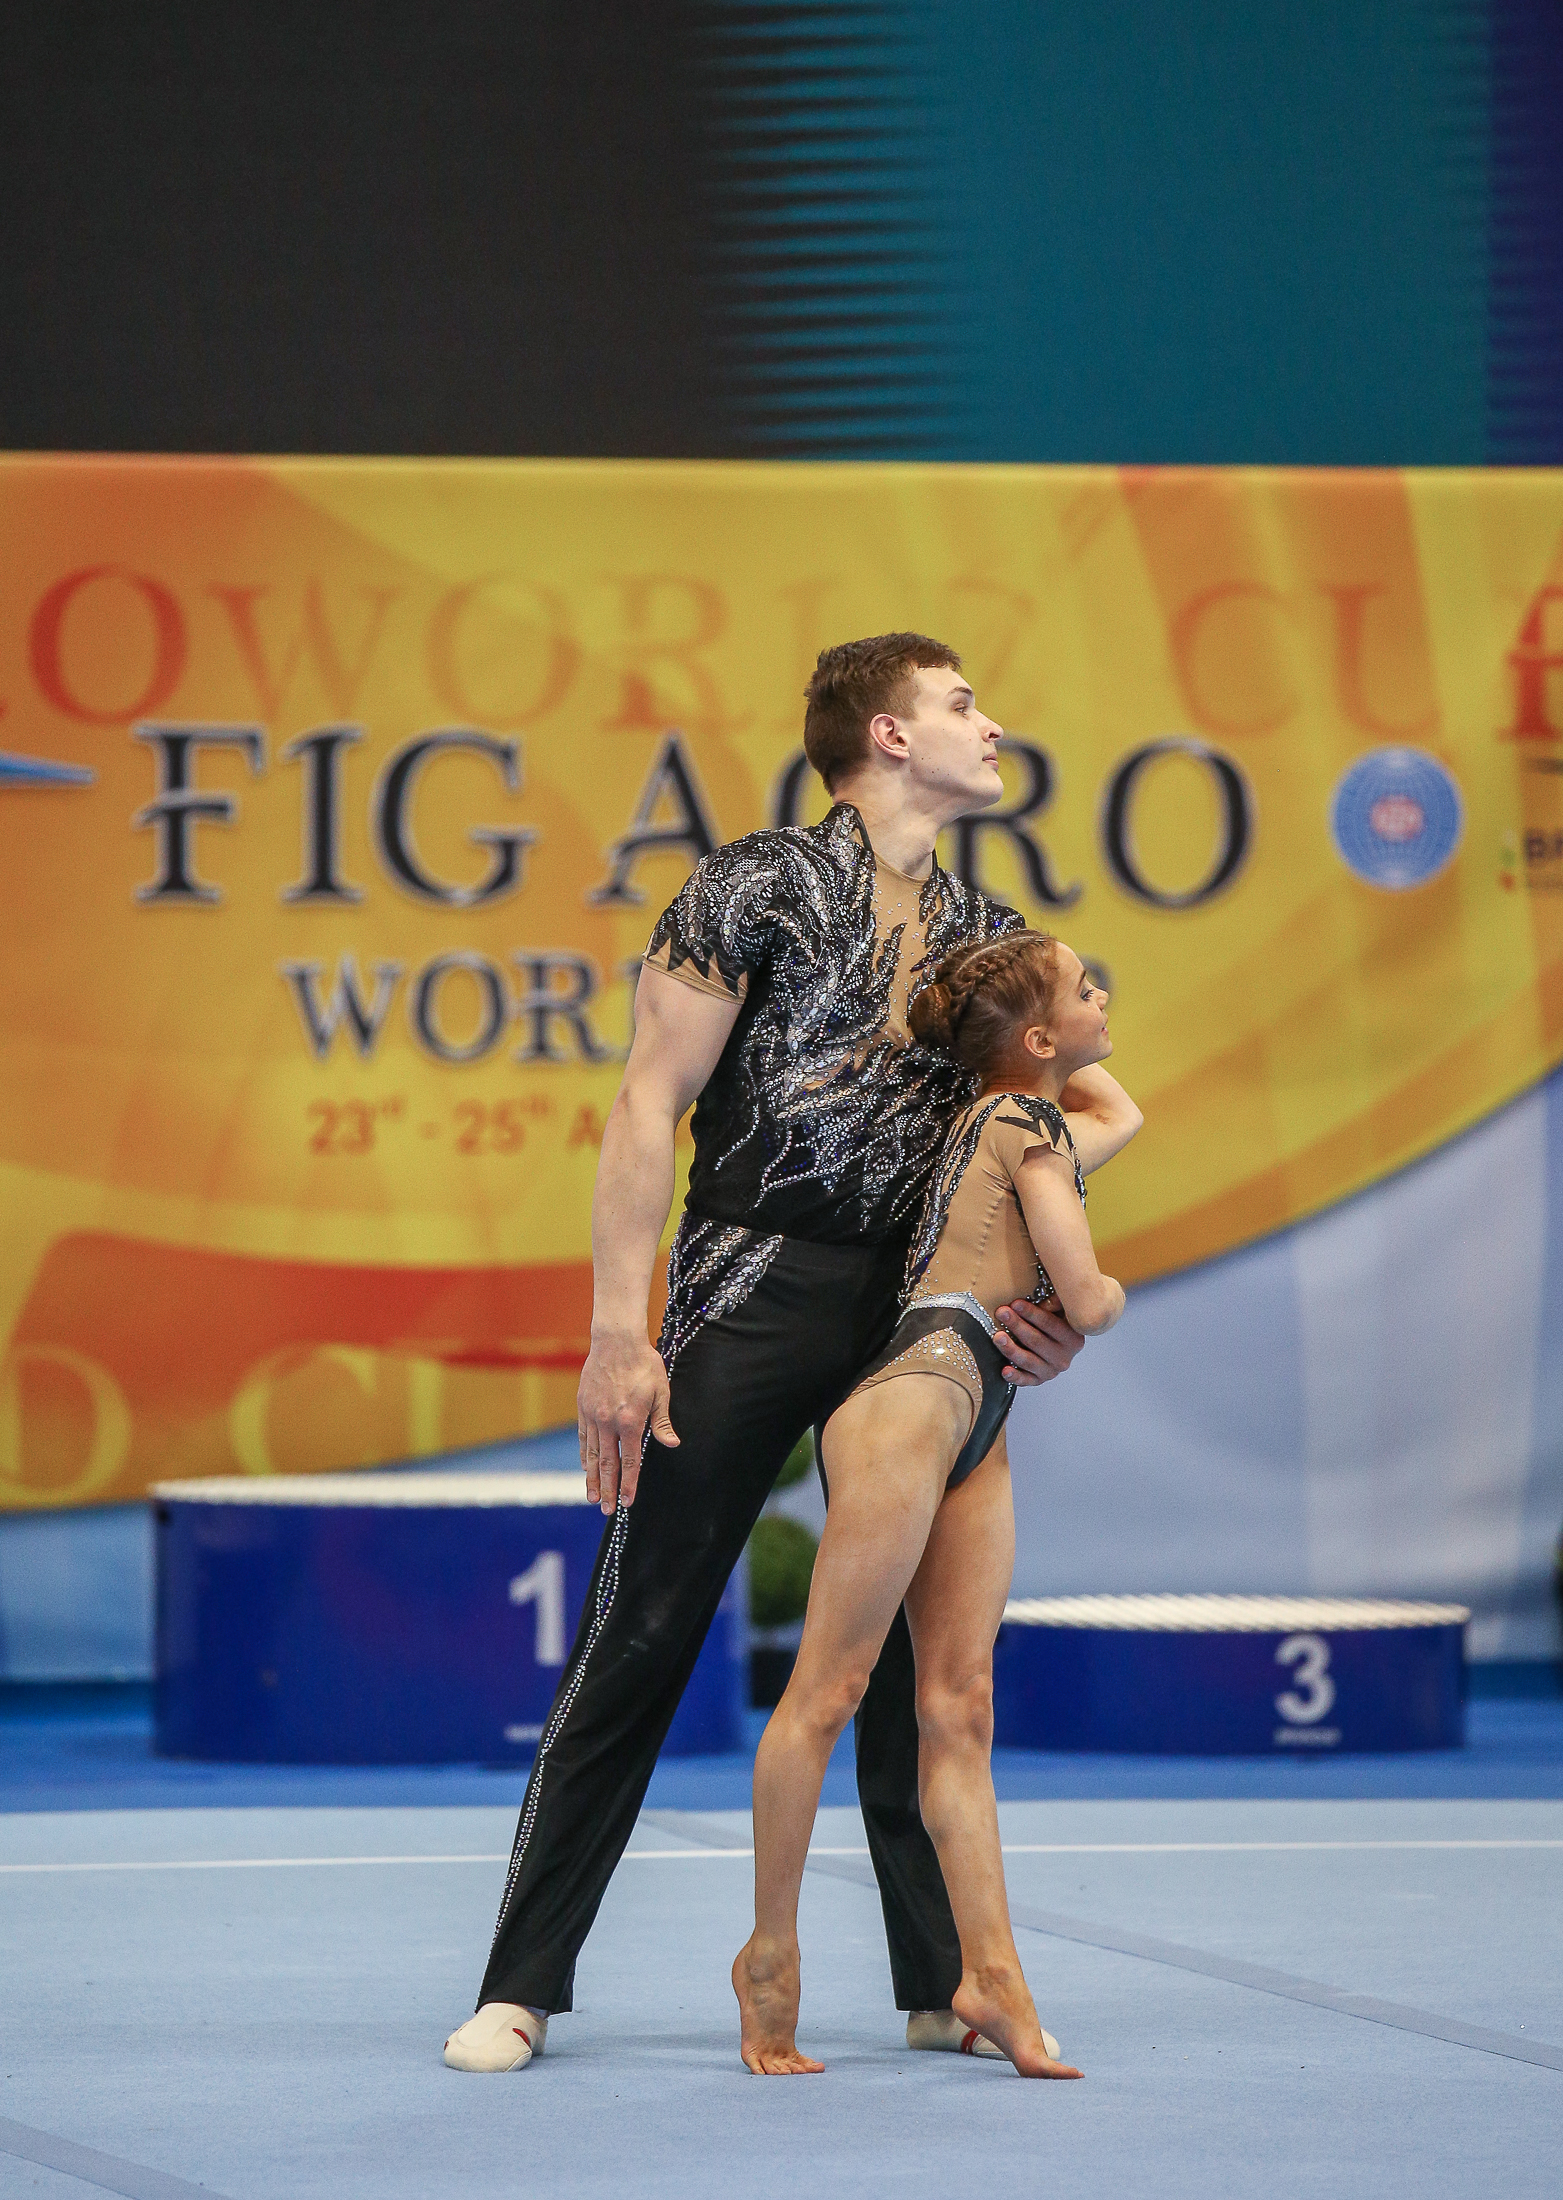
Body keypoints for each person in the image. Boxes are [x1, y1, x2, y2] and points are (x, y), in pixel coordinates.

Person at [444, 634, 1088, 2075]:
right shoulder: (752, 886)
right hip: (746, 1283)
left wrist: (1048, 1302)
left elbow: (1034, 1138)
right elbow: (647, 1102)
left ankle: (941, 1982)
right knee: (643, 1627)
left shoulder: (991, 934)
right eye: (962, 703)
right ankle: (520, 1983)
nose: (992, 724)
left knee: (917, 1650)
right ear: (887, 734)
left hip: (916, 1307)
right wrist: (620, 1334)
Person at [732, 929, 1141, 2078]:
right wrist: (1110, 1297)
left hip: (969, 1408)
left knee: (960, 1708)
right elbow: (1084, 1296)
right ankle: (769, 1956)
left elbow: (1120, 1108)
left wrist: (1039, 1026)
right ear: (1040, 1037)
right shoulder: (1023, 1124)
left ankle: (991, 1974)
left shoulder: (1008, 1114)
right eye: (1086, 987)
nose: (1105, 995)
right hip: (914, 1397)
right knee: (828, 1692)